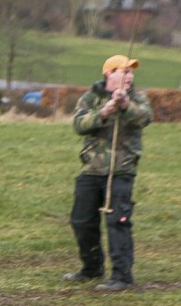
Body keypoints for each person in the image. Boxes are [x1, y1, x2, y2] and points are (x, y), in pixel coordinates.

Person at [64, 55, 152, 292]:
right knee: (81, 221)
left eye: (131, 72)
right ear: (108, 74)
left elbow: (144, 118)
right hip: (91, 169)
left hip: (121, 170)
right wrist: (103, 113)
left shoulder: (137, 98)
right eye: (125, 71)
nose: (130, 76)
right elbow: (79, 125)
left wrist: (124, 105)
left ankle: (122, 276)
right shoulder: (90, 97)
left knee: (118, 221)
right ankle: (92, 268)